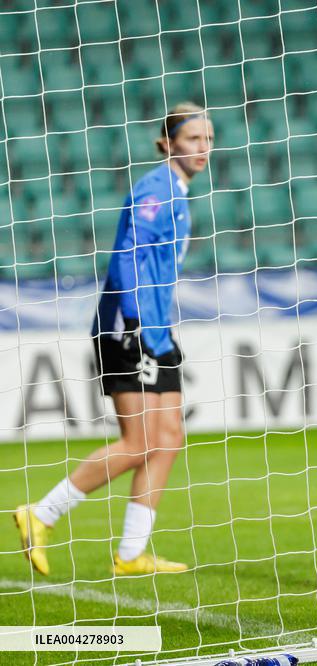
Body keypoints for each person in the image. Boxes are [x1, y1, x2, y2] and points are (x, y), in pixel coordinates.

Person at [14, 102, 213, 576]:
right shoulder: (156, 188)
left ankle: (131, 553)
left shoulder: (178, 193)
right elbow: (125, 255)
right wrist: (135, 322)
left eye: (208, 139)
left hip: (158, 330)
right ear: (167, 144)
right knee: (140, 441)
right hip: (129, 328)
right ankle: (40, 515)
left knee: (168, 439)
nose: (204, 148)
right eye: (193, 139)